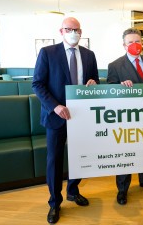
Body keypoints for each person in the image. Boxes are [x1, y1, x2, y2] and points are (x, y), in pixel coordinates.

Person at [32, 17, 99, 224]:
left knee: (80, 156)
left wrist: (93, 82)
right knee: (55, 160)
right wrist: (55, 106)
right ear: (61, 31)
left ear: (81, 31)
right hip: (56, 116)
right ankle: (54, 202)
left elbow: (95, 80)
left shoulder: (89, 55)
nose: (73, 32)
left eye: (77, 29)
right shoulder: (48, 53)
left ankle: (73, 190)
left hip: (81, 117)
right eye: (69, 29)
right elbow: (37, 84)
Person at [107, 28, 143, 205]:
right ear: (124, 45)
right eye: (130, 42)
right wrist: (119, 86)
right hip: (126, 118)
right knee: (125, 153)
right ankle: (122, 189)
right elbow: (110, 91)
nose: (135, 45)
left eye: (137, 41)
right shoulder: (115, 65)